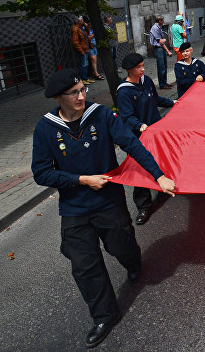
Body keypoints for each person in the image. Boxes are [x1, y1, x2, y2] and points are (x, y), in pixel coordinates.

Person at [31, 69, 176, 348]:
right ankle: (104, 316)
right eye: (74, 93)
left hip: (109, 201)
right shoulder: (45, 128)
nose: (82, 96)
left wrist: (158, 176)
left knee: (121, 245)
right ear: (59, 97)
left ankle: (133, 262)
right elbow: (41, 173)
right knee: (84, 266)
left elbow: (132, 144)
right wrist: (80, 180)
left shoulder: (101, 115)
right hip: (74, 208)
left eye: (83, 89)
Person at [117, 53, 177, 224]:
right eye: (138, 67)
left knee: (163, 158)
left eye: (143, 65)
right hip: (140, 136)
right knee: (141, 169)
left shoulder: (147, 81)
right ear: (130, 70)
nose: (143, 69)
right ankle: (143, 206)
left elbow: (156, 99)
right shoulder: (124, 91)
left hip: (156, 131)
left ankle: (167, 182)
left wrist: (172, 103)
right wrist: (140, 125)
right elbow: (127, 116)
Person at [149, 15, 173, 89]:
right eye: (162, 20)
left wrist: (164, 41)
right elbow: (161, 42)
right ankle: (162, 84)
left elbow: (162, 41)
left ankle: (164, 82)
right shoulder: (155, 28)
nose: (163, 21)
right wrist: (168, 51)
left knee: (164, 67)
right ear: (159, 21)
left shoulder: (158, 27)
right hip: (158, 49)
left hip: (161, 49)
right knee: (161, 67)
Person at [71, 17, 91, 85]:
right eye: (82, 20)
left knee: (86, 64)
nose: (83, 21)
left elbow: (87, 34)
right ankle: (82, 79)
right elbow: (75, 42)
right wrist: (81, 51)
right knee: (83, 64)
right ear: (78, 21)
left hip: (86, 49)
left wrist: (86, 26)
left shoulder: (81, 27)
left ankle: (85, 78)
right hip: (83, 50)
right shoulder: (75, 29)